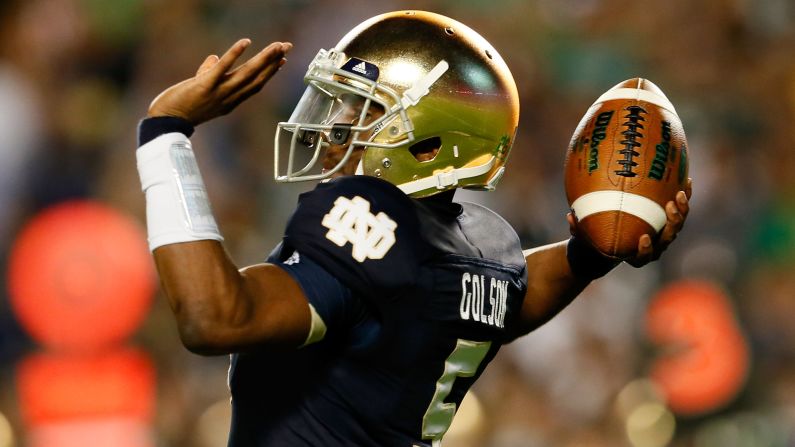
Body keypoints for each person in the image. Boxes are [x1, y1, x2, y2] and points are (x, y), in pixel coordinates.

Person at [135, 10, 691, 447]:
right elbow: (512, 301)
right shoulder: (487, 247)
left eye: (364, 111)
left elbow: (214, 318)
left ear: (428, 143)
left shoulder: (369, 219)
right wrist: (588, 255)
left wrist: (166, 134)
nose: (335, 127)